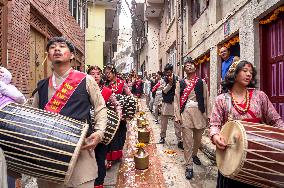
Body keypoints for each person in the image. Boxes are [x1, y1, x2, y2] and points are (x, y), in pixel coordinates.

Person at [32, 37, 107, 188]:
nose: (57, 49)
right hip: (49, 159)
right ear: (48, 54)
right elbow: (34, 117)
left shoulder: (86, 80)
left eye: (62, 46)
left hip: (81, 156)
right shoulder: (42, 86)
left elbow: (100, 108)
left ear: (72, 55)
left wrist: (99, 133)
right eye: (52, 47)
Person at [209, 60, 284, 188]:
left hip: (259, 154)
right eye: (244, 71)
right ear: (234, 73)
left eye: (251, 72)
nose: (249, 74)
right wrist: (215, 136)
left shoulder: (260, 96)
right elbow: (214, 124)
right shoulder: (221, 99)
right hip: (231, 155)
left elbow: (275, 120)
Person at [87, 66, 122, 188]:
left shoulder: (107, 91)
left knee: (100, 158)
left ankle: (99, 184)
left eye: (98, 74)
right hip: (86, 131)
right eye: (92, 73)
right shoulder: (82, 90)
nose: (95, 76)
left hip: (102, 130)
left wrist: (117, 121)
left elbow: (117, 105)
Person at [175, 59, 208, 180]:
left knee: (198, 139)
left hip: (199, 113)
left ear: (195, 68)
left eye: (191, 65)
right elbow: (176, 99)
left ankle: (194, 155)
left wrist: (208, 115)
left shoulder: (201, 82)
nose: (189, 66)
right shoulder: (180, 83)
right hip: (186, 113)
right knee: (187, 141)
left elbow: (206, 98)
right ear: (184, 69)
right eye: (187, 65)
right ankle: (189, 166)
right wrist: (177, 115)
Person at [104, 64, 132, 168]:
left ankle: (118, 154)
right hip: (109, 114)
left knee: (120, 134)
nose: (107, 75)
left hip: (121, 114)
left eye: (109, 73)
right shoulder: (105, 84)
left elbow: (129, 96)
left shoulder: (122, 83)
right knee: (110, 135)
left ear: (114, 73)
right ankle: (109, 158)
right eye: (105, 73)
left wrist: (127, 105)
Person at [159, 63, 183, 150]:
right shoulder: (163, 80)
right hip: (166, 102)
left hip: (175, 103)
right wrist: (169, 84)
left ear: (172, 71)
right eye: (166, 73)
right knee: (163, 121)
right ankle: (162, 136)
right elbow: (164, 91)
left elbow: (180, 89)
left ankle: (180, 140)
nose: (168, 74)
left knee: (177, 122)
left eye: (169, 72)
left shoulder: (178, 78)